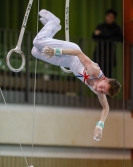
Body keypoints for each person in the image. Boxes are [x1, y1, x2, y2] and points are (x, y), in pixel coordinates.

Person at [31, 9, 121, 142]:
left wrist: (100, 126)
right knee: (37, 43)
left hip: (66, 62)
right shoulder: (95, 72)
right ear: (105, 79)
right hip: (71, 52)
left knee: (34, 52)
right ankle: (54, 22)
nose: (99, 90)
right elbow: (79, 53)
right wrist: (56, 51)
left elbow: (106, 108)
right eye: (102, 87)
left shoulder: (100, 92)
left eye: (103, 91)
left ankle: (54, 28)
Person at [92, 9, 123, 78]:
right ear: (106, 16)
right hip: (99, 52)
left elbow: (120, 38)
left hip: (109, 54)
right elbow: (94, 36)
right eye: (108, 16)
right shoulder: (101, 26)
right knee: (97, 73)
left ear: (114, 19)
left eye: (111, 17)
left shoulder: (116, 28)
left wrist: (105, 37)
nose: (109, 18)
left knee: (107, 75)